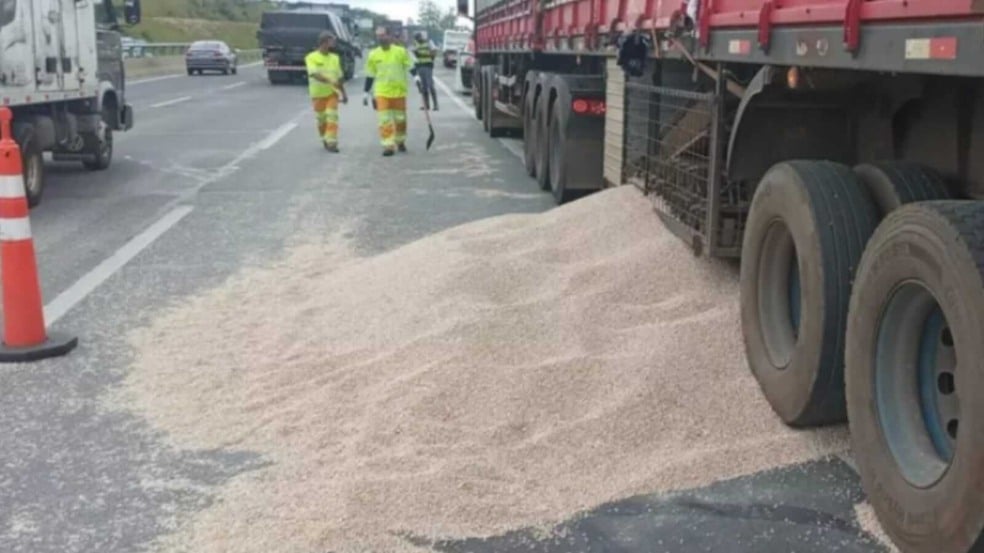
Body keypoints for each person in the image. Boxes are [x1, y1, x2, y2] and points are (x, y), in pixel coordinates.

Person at [363, 28, 417, 157]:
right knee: (384, 120)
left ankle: (400, 141)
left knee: (400, 119)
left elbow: (410, 66)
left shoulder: (400, 51)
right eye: (378, 36)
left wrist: (416, 77)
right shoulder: (373, 54)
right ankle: (388, 145)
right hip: (382, 92)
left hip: (399, 92)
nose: (381, 38)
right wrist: (366, 92)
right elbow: (370, 75)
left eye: (383, 35)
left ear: (389, 35)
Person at [305, 31, 348, 153]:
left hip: (332, 93)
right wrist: (330, 80)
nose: (333, 43)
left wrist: (344, 93)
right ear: (324, 42)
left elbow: (339, 78)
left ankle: (332, 142)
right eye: (331, 41)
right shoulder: (311, 57)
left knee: (332, 117)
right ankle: (325, 138)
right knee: (321, 119)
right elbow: (314, 74)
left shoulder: (335, 58)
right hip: (317, 94)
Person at [411, 32, 439, 111]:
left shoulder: (429, 42)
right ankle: (426, 105)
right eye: (416, 39)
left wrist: (430, 59)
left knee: (430, 85)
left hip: (428, 66)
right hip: (420, 66)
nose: (418, 40)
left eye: (419, 38)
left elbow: (434, 51)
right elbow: (415, 53)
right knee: (423, 87)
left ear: (421, 37)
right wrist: (416, 53)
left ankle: (435, 104)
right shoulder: (416, 44)